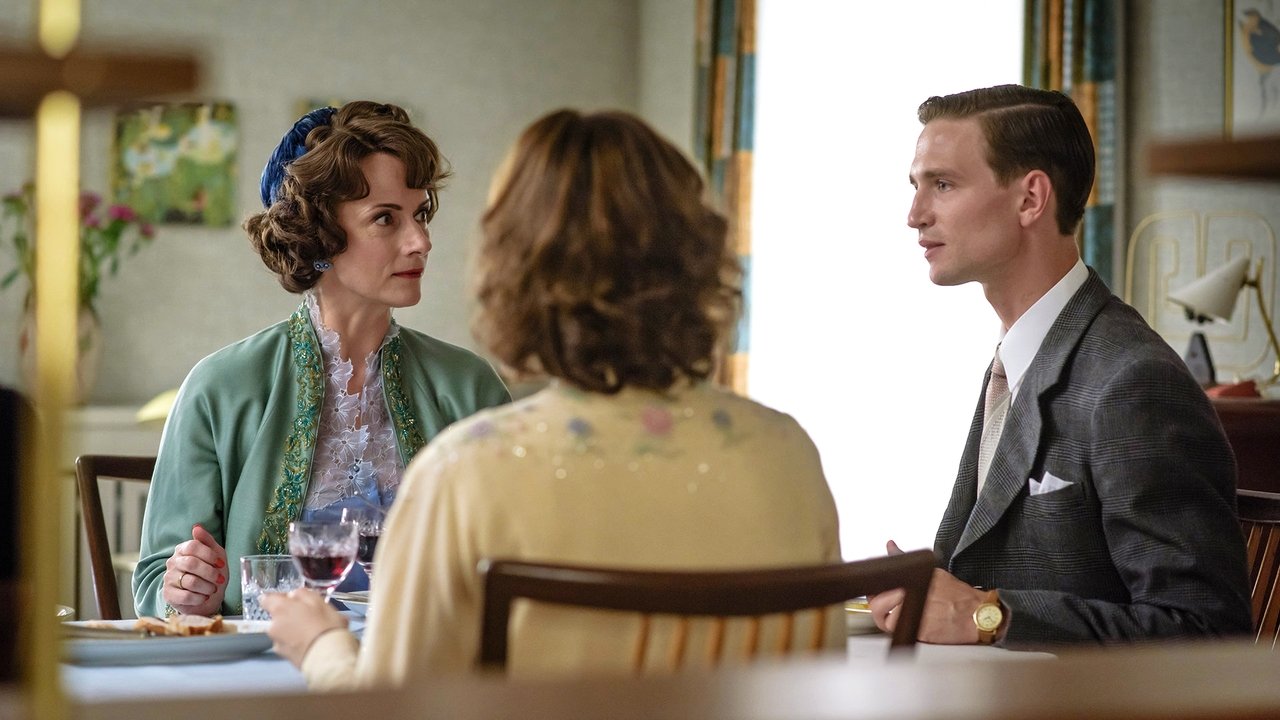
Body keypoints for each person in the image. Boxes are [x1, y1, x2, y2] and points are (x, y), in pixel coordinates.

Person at [263, 109, 842, 687]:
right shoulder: (787, 454)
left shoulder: (463, 474)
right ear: (702, 253)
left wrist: (322, 646)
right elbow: (819, 683)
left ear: (514, 268)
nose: (420, 240)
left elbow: (396, 710)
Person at [869, 84, 1252, 647]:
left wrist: (988, 617)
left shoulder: (1134, 381)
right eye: (916, 186)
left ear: (1030, 199)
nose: (914, 215)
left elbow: (1208, 634)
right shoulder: (1015, 360)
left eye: (943, 185)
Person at [133, 101, 511, 618]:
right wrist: (185, 589)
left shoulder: (470, 387)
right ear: (320, 235)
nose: (420, 241)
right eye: (385, 218)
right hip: (267, 664)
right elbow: (156, 580)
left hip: (421, 661)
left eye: (420, 214)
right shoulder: (220, 387)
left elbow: (511, 563)